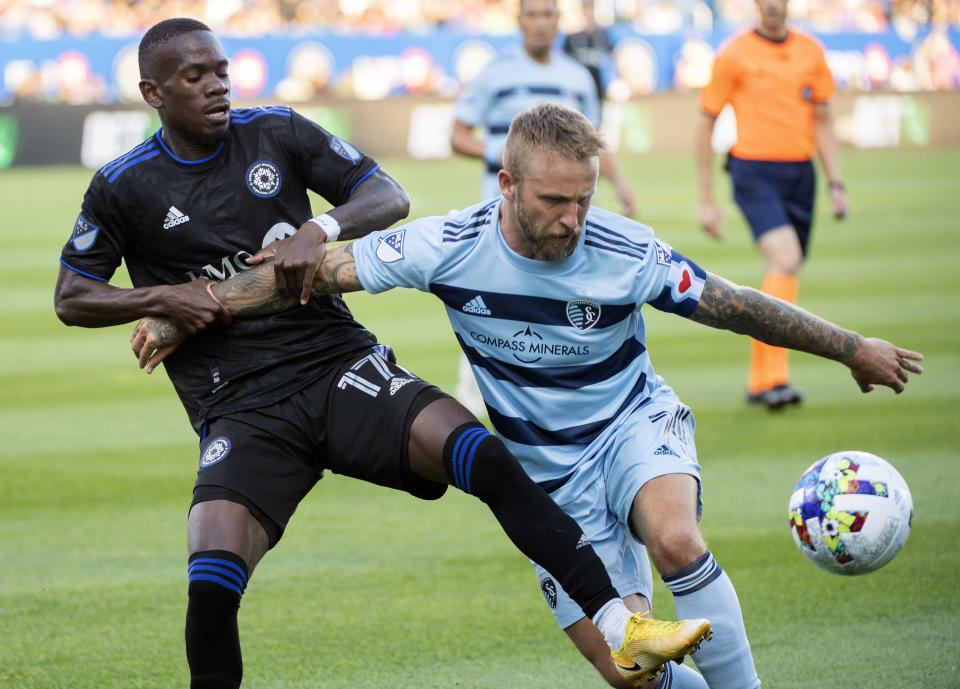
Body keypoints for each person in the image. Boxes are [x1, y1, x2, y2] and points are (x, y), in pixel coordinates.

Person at [133, 102, 926, 688]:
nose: (574, 217)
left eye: (582, 198)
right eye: (554, 200)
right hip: (546, 476)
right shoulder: (447, 244)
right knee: (630, 675)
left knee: (674, 538)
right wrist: (186, 313)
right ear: (507, 185)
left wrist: (851, 347)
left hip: (630, 425)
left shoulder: (624, 249)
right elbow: (310, 274)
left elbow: (736, 302)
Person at [54, 19, 709, 689]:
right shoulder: (123, 185)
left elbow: (387, 194)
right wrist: (165, 298)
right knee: (212, 584)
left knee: (485, 458)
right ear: (151, 92)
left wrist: (320, 226)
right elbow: (71, 295)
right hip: (240, 409)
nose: (217, 85)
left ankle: (619, 623)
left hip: (337, 366)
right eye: (195, 77)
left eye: (222, 70)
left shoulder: (275, 130)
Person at [450, 0, 636, 417]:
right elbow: (457, 134)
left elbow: (593, 143)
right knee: (489, 305)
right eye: (532, 14)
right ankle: (471, 404)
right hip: (503, 216)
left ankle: (561, 396)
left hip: (560, 216)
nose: (540, 24)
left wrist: (621, 184)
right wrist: (509, 156)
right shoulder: (495, 72)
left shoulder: (575, 77)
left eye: (548, 15)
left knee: (561, 300)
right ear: (520, 20)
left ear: (558, 21)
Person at [696, 0, 850, 410]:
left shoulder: (810, 51)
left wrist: (835, 183)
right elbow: (706, 119)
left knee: (785, 267)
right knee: (785, 257)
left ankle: (760, 380)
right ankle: (774, 380)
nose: (770, 6)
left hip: (801, 174)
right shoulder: (734, 53)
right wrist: (707, 200)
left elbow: (823, 119)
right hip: (753, 170)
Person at [562, 0, 615, 104]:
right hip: (577, 89)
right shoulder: (572, 38)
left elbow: (612, 62)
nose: (589, 12)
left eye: (590, 8)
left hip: (599, 90)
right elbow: (564, 62)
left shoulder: (604, 37)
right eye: (586, 8)